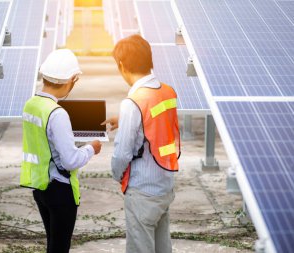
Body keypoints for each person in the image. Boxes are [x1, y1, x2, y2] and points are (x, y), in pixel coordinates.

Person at [102, 35, 181, 253]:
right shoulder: (167, 92)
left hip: (142, 191)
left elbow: (122, 154)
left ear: (121, 65)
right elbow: (156, 126)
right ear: (149, 60)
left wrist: (117, 175)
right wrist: (126, 119)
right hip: (164, 184)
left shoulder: (132, 103)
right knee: (162, 247)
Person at [20, 49, 102, 253]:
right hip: (60, 190)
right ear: (72, 79)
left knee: (53, 244)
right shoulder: (57, 114)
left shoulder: (31, 105)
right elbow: (70, 161)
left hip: (40, 185)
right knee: (59, 248)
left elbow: (44, 142)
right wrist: (92, 148)